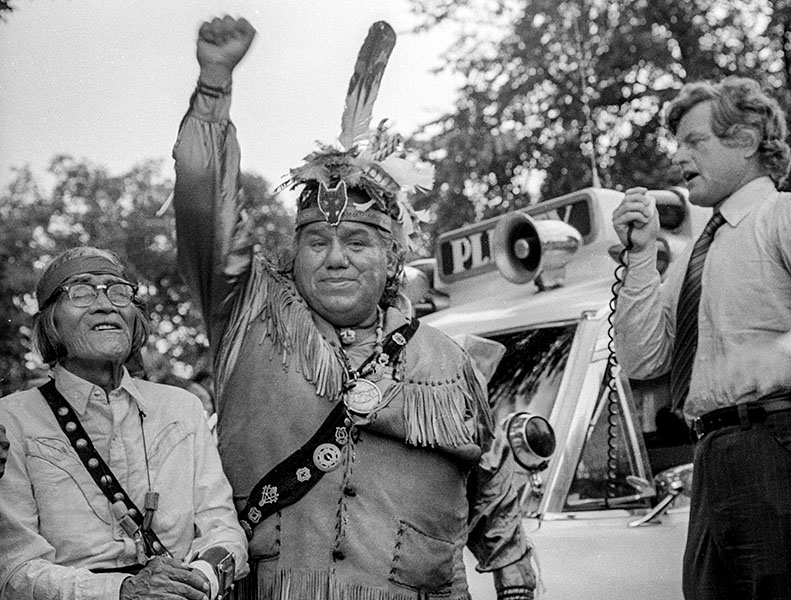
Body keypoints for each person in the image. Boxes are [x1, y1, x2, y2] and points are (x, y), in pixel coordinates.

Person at [171, 15, 535, 600]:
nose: (335, 258)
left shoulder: (448, 359)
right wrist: (214, 86)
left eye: (357, 242)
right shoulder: (249, 317)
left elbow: (483, 469)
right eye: (317, 241)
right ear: (295, 253)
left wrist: (513, 563)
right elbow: (200, 207)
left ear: (394, 259)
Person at [611, 77, 791, 600]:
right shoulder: (697, 253)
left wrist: (785, 357)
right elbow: (643, 359)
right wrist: (641, 257)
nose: (677, 155)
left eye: (694, 141)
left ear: (744, 139)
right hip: (716, 457)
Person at [0, 246, 248, 600]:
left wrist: (200, 579)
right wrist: (123, 591)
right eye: (81, 291)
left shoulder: (182, 408)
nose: (106, 304)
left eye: (118, 291)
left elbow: (222, 530)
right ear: (50, 321)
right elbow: (15, 571)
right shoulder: (12, 419)